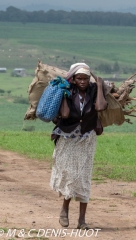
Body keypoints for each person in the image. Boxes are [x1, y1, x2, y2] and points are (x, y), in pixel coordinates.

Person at [50, 63, 107, 229]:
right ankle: (64, 209)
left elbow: (100, 107)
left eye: (85, 78)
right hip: (67, 138)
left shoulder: (93, 90)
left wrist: (98, 86)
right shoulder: (67, 91)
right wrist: (63, 93)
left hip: (86, 138)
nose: (83, 81)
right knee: (69, 174)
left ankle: (82, 220)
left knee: (83, 177)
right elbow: (66, 114)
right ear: (73, 79)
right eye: (79, 78)